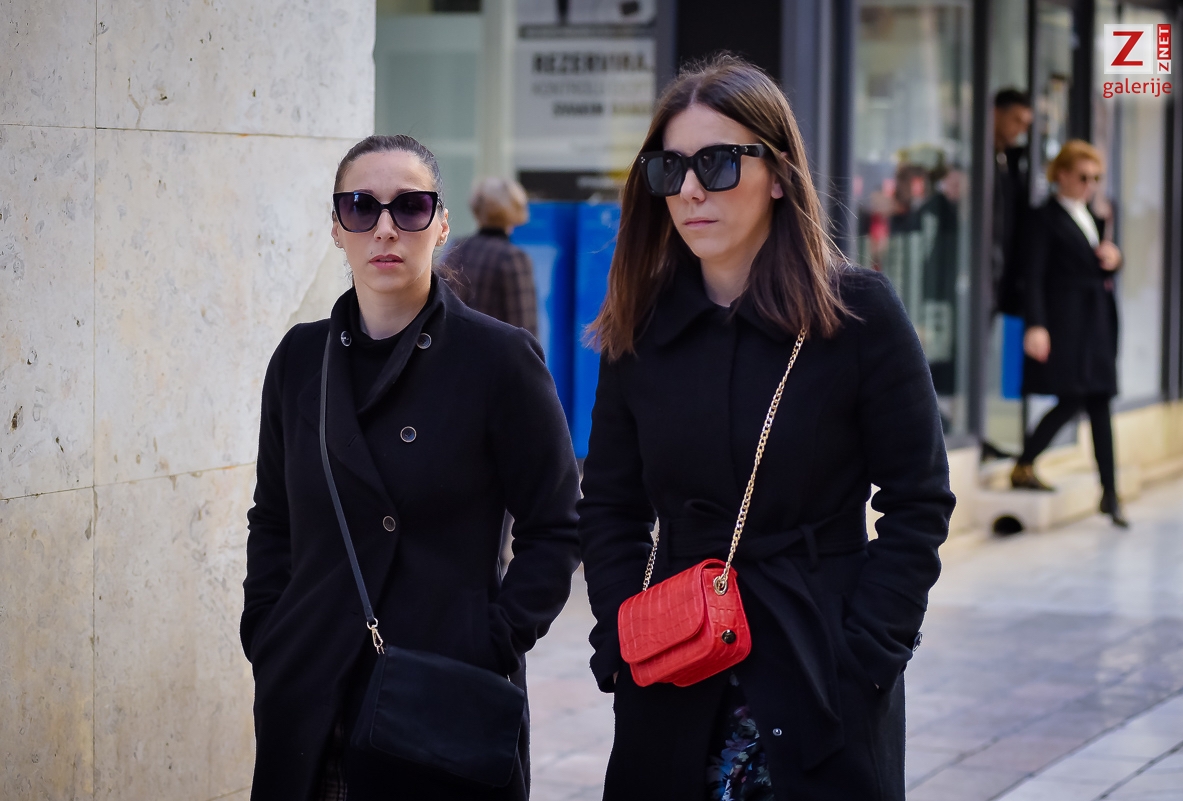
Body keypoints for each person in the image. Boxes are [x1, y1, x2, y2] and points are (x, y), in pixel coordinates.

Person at [578, 55, 956, 801]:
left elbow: (919, 500)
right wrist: (622, 632)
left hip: (820, 667)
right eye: (669, 168)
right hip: (675, 666)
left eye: (717, 164)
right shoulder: (641, 328)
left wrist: (869, 653)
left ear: (779, 174)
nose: (690, 190)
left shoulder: (858, 315)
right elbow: (610, 506)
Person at [241, 134, 581, 800]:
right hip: (309, 689)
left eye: (410, 206)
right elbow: (273, 517)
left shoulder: (498, 360)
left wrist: (493, 640)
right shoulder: (299, 360)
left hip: (441, 693)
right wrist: (268, 631)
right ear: (337, 228)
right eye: (361, 207)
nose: (385, 228)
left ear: (442, 224)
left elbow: (558, 524)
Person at [1010, 139, 1126, 527]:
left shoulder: (1091, 215)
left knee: (1098, 400)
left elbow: (1098, 264)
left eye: (1096, 178)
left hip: (1096, 321)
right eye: (1083, 177)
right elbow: (1033, 276)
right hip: (1067, 322)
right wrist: (1036, 324)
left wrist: (1115, 260)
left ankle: (1109, 493)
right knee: (1074, 396)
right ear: (1061, 174)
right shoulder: (1044, 217)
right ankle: (1025, 462)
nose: (1090, 185)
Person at [442, 177, 540, 337]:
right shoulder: (513, 257)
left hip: (454, 347)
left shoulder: (458, 248)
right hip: (498, 351)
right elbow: (525, 327)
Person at [992, 88, 1033, 317]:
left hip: (1003, 274)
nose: (1021, 130)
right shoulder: (977, 159)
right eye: (1016, 120)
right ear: (996, 114)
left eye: (1026, 124)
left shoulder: (1013, 163)